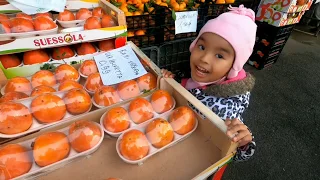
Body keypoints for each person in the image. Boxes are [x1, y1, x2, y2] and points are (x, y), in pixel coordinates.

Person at [162, 5, 257, 163]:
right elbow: (185, 85)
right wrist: (172, 79)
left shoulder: (228, 105)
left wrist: (244, 143)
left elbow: (230, 147)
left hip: (192, 156)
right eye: (202, 47)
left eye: (219, 55)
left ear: (234, 65)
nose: (204, 58)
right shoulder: (194, 74)